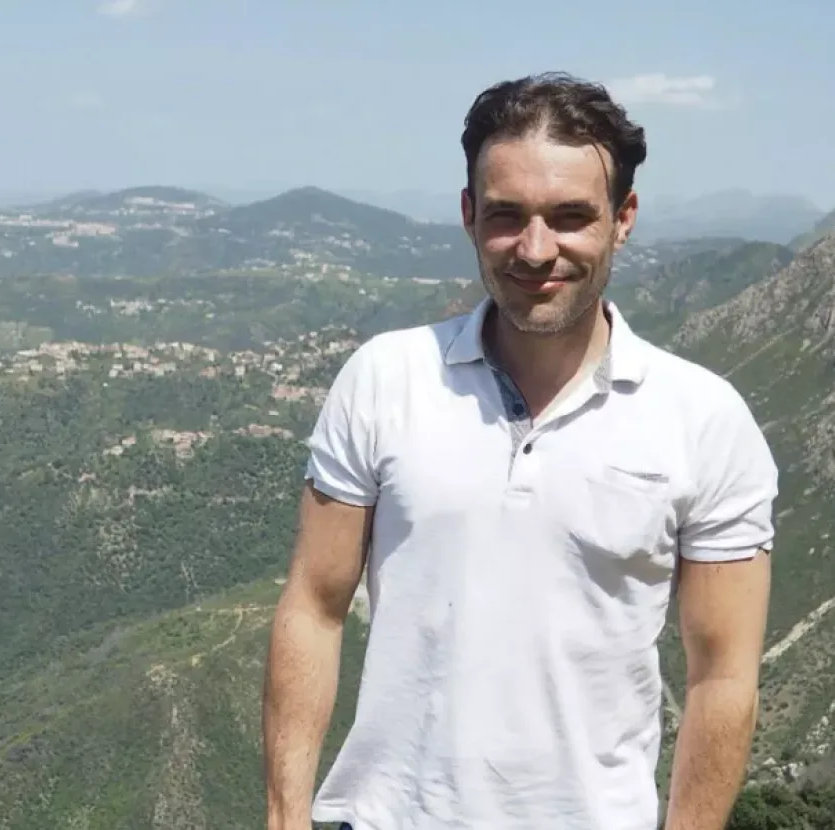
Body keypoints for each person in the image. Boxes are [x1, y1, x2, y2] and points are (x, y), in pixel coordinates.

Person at [262, 71, 778, 830]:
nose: (537, 250)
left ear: (623, 218)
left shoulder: (705, 420)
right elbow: (313, 606)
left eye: (571, 216)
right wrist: (285, 817)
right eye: (508, 216)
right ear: (470, 215)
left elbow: (723, 678)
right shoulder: (383, 379)